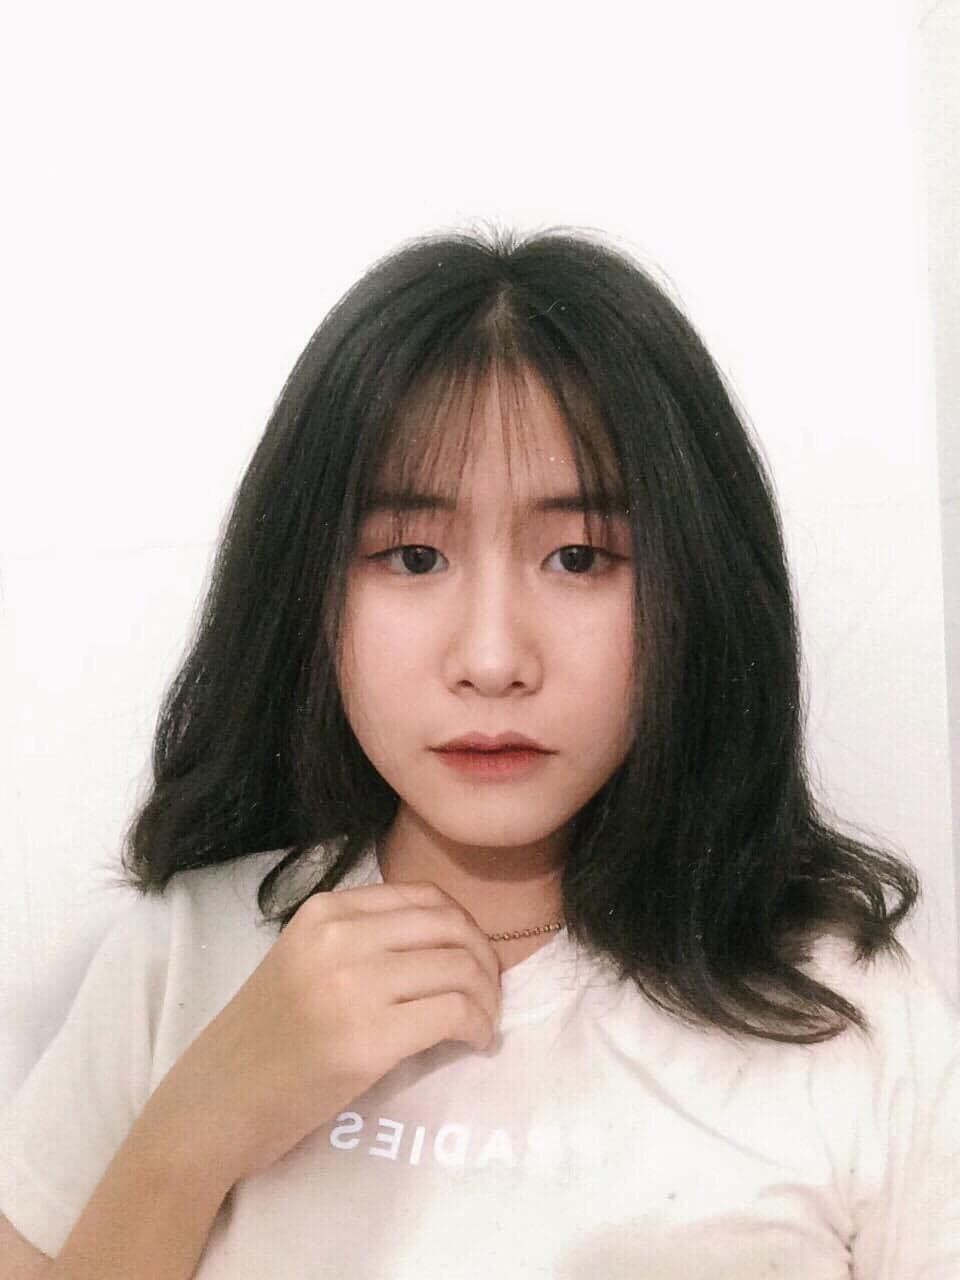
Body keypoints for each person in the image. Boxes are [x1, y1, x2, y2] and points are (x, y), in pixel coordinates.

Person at [1, 225, 957, 1279]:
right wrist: (193, 1133)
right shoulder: (182, 957)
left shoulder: (845, 1015)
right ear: (308, 588)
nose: (493, 659)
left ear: (696, 585)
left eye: (579, 556)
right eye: (414, 556)